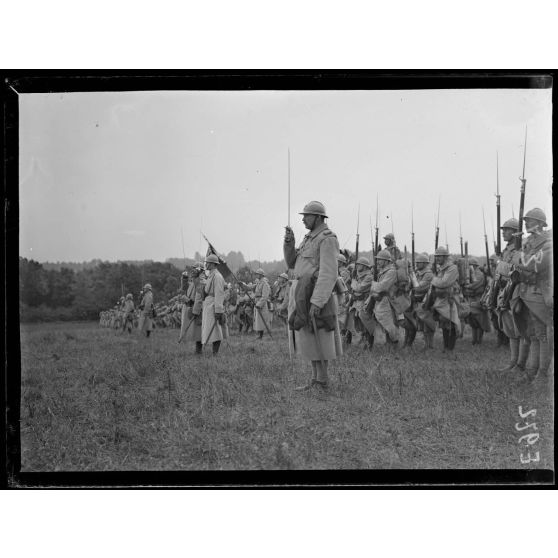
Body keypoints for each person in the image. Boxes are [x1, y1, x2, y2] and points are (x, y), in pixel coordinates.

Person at [284, 200, 342, 391]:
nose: (303, 220)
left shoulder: (327, 238)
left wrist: (318, 301)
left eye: (306, 216)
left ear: (318, 217)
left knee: (321, 334)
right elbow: (293, 263)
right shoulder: (308, 238)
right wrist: (289, 243)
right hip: (302, 291)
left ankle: (323, 380)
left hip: (316, 292)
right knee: (308, 336)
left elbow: (329, 272)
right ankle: (315, 379)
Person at [510, 208, 553, 386]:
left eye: (531, 220)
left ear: (541, 224)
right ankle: (531, 372)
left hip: (541, 295)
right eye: (526, 220)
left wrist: (517, 256)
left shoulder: (548, 243)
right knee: (535, 335)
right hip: (527, 293)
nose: (526, 223)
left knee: (545, 335)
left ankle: (542, 375)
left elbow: (533, 264)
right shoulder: (529, 242)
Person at [493, 218, 528, 372]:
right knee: (510, 330)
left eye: (507, 230)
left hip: (516, 292)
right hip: (505, 291)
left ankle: (521, 364)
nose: (503, 232)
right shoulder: (507, 250)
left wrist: (499, 265)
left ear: (515, 233)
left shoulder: (520, 249)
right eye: (503, 229)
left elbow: (515, 271)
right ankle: (513, 361)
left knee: (519, 329)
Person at [429, 246, 461, 351]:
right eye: (436, 256)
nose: (437, 258)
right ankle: (446, 346)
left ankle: (450, 348)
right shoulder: (440, 268)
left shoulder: (452, 268)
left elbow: (444, 283)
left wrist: (433, 279)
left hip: (450, 298)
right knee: (443, 323)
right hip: (441, 298)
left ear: (445, 257)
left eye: (440, 256)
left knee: (451, 322)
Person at [367, 249, 400, 349]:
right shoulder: (382, 271)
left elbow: (383, 287)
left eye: (380, 260)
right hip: (381, 301)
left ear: (386, 261)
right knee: (384, 324)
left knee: (389, 325)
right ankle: (389, 345)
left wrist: (373, 284)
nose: (377, 262)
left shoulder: (391, 271)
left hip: (388, 301)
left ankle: (395, 344)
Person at [408, 253, 435, 349]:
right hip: (418, 302)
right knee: (423, 326)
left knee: (428, 325)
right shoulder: (418, 273)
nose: (417, 264)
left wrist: (412, 276)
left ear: (425, 263)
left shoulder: (428, 274)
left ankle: (430, 345)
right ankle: (426, 345)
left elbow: (418, 287)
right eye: (416, 262)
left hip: (426, 302)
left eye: (419, 263)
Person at [201, 254, 226, 355]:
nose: (206, 264)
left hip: (214, 304)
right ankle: (213, 351)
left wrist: (218, 310)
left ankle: (215, 352)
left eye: (207, 262)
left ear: (212, 264)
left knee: (215, 329)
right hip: (208, 303)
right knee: (209, 327)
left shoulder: (217, 276)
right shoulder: (211, 275)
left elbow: (219, 294)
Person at [463, 258, 491, 345]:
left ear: (474, 266)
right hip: (470, 299)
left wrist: (466, 286)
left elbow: (473, 286)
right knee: (473, 322)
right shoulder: (469, 274)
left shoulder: (479, 275)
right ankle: (474, 340)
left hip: (479, 299)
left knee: (480, 321)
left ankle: (479, 340)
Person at [349, 257, 375, 350]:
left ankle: (369, 344)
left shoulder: (369, 276)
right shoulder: (357, 274)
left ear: (364, 266)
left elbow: (360, 288)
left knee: (366, 323)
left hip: (365, 302)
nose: (357, 266)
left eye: (359, 264)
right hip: (357, 302)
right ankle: (363, 342)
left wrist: (353, 282)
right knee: (358, 322)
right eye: (357, 264)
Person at [181, 262, 204, 353]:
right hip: (191, 306)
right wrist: (184, 279)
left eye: (195, 269)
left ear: (199, 270)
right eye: (193, 269)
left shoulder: (200, 282)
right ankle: (197, 350)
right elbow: (184, 288)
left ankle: (199, 351)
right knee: (194, 331)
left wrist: (196, 310)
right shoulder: (193, 281)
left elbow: (199, 298)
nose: (192, 271)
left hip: (197, 308)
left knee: (198, 331)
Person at [253, 268, 272, 339]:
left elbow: (265, 296)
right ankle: (259, 335)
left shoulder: (265, 284)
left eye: (257, 274)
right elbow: (250, 287)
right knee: (258, 319)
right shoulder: (258, 282)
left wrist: (259, 304)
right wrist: (242, 284)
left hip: (262, 304)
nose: (256, 275)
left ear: (261, 275)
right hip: (257, 301)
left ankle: (261, 335)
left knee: (261, 320)